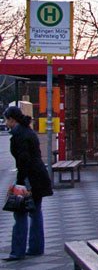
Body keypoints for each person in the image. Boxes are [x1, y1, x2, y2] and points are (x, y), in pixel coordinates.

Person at [3, 105, 53, 261]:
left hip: (29, 178)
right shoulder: (28, 131)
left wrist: (19, 183)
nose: (5, 123)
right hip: (38, 176)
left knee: (20, 213)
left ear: (12, 120)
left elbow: (23, 160)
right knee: (35, 212)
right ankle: (36, 247)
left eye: (6, 120)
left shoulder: (19, 135)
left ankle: (17, 251)